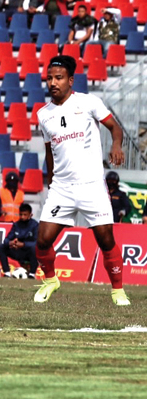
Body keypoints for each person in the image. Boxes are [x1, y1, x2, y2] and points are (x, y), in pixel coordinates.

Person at [33, 55, 129, 305]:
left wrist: (116, 145)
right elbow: (49, 151)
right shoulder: (44, 114)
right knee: (42, 240)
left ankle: (118, 291)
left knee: (105, 238)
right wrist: (51, 181)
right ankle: (51, 281)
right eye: (49, 78)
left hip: (91, 185)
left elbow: (114, 128)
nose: (53, 82)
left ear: (70, 80)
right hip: (61, 188)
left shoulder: (88, 102)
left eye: (59, 78)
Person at [0, 203, 40, 279]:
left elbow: (36, 243)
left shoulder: (35, 225)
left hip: (28, 253)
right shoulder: (16, 225)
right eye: (21, 214)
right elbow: (7, 239)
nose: (22, 217)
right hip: (17, 250)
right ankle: (7, 273)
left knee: (35, 249)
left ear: (30, 215)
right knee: (1, 247)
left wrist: (23, 244)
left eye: (25, 215)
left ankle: (32, 274)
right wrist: (10, 243)